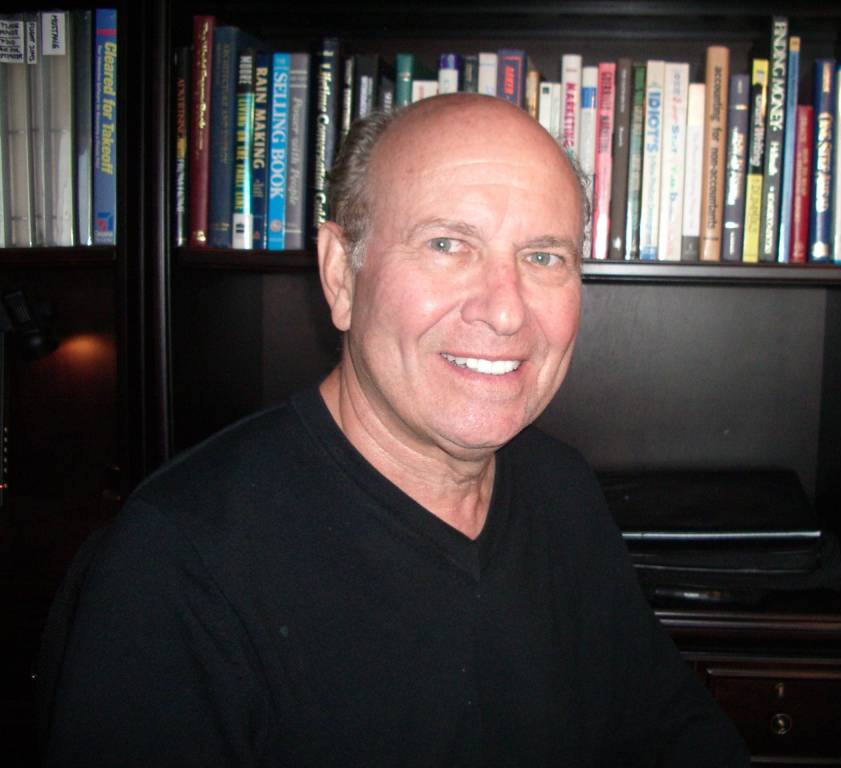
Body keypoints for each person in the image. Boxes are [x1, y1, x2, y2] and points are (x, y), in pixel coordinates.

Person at [45, 94, 748, 766]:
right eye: (447, 244)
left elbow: (671, 734)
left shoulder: (562, 488)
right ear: (340, 275)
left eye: (543, 257)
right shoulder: (179, 563)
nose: (506, 310)